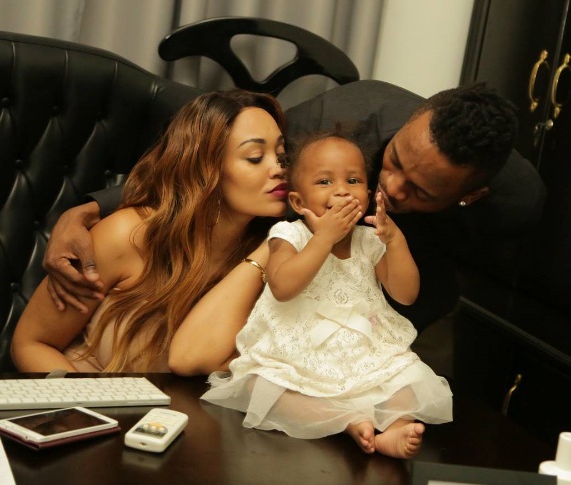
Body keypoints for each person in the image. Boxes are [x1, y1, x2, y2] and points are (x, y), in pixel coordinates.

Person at [41, 80, 545, 337]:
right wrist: (86, 211)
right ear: (413, 119)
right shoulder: (340, 121)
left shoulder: (514, 206)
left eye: (420, 191)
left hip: (411, 300)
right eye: (392, 162)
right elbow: (211, 164)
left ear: (469, 196)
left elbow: (451, 287)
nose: (391, 188)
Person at [201, 133, 453, 458]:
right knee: (260, 385)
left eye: (353, 180)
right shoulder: (288, 235)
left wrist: (395, 241)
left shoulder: (369, 240)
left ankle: (396, 426)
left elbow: (406, 294)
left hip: (364, 350)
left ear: (368, 194)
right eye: (324, 181)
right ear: (298, 202)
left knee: (408, 376)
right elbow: (283, 287)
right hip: (298, 350)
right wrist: (323, 238)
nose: (342, 190)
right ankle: (349, 421)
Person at [11, 90, 289, 373]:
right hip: (85, 396)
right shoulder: (126, 235)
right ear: (204, 168)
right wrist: (87, 400)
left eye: (282, 155)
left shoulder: (277, 252)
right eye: (255, 157)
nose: (279, 169)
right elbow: (31, 343)